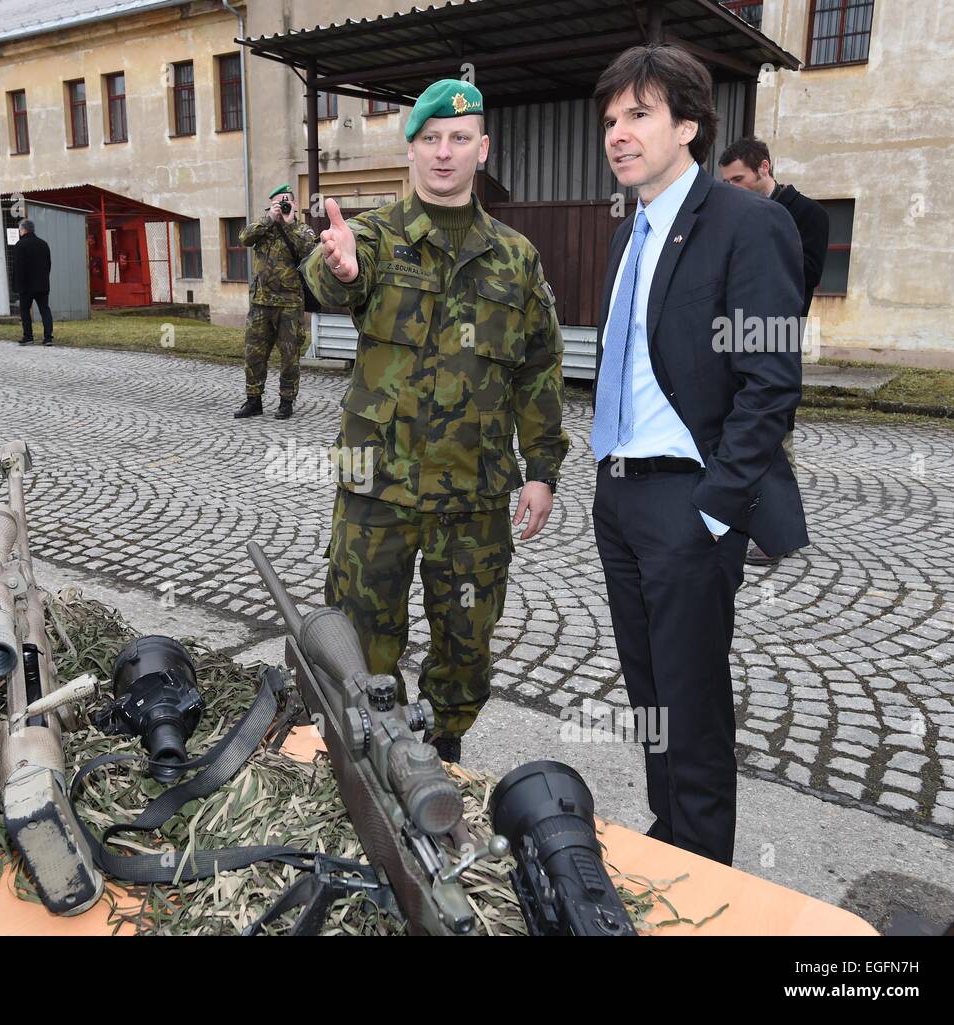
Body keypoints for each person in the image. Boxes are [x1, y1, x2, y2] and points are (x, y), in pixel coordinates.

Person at [303, 79, 567, 763]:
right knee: (361, 639)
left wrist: (542, 471)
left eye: (458, 139)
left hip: (473, 498)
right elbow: (334, 275)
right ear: (411, 149)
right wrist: (339, 268)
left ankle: (441, 756)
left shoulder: (516, 258)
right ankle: (363, 759)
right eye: (429, 139)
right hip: (376, 493)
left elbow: (539, 367)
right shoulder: (375, 236)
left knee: (466, 642)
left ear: (483, 148)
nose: (443, 153)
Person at [590, 45, 807, 865]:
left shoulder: (750, 223)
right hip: (619, 497)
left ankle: (706, 861)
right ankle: (670, 830)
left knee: (692, 699)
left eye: (638, 115)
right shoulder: (630, 233)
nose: (618, 133)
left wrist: (716, 508)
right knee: (648, 691)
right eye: (610, 119)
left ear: (688, 125)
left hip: (689, 505)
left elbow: (771, 383)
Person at [719, 137, 829, 566]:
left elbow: (808, 274)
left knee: (775, 431)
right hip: (732, 332)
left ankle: (776, 531)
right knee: (736, 424)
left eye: (740, 179)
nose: (734, 188)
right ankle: (738, 513)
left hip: (780, 332)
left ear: (764, 167)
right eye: (727, 181)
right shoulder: (734, 214)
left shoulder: (809, 214)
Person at [234, 184, 317, 420]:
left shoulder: (301, 229)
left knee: (289, 356)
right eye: (277, 203)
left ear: (293, 203)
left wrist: (289, 224)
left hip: (289, 303)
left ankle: (286, 402)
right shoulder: (263, 228)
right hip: (261, 302)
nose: (282, 206)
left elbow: (310, 250)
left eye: (286, 202)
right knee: (254, 354)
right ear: (271, 205)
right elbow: (244, 237)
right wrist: (270, 218)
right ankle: (253, 400)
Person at [13, 219, 53, 346]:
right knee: (45, 310)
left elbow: (18, 268)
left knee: (25, 310)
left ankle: (28, 336)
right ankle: (48, 338)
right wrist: (44, 278)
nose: (20, 232)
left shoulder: (20, 245)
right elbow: (48, 265)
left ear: (23, 230)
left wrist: (17, 285)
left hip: (26, 286)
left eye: (20, 230)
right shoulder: (43, 244)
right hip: (42, 284)